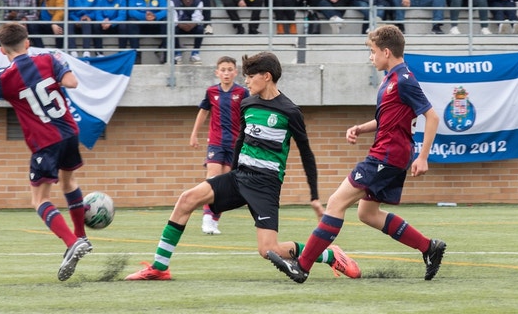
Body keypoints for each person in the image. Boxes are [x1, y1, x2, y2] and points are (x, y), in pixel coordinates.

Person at [127, 51, 359, 281]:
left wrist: (314, 197)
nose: (245, 81)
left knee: (268, 250)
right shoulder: (247, 103)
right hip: (239, 177)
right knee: (187, 199)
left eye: (250, 76)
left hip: (265, 186)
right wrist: (233, 172)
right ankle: (159, 267)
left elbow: (306, 154)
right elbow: (241, 139)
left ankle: (330, 254)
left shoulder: (290, 111)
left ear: (266, 76)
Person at [267, 24, 444, 284]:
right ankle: (429, 247)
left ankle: (302, 266)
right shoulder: (390, 80)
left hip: (387, 155)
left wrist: (423, 156)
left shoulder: (404, 80)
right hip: (388, 154)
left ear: (386, 51)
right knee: (367, 213)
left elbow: (432, 116)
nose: (370, 57)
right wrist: (361, 128)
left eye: (372, 52)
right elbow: (387, 120)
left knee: (337, 202)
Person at [0, 22, 93, 279]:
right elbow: (72, 82)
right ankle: (81, 236)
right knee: (69, 182)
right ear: (28, 42)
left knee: (39, 200)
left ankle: (72, 242)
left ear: (1, 49)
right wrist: (60, 66)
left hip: (44, 142)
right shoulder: (47, 59)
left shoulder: (3, 78)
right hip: (69, 131)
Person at [188, 56, 249, 234]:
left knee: (225, 185)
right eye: (223, 69)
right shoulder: (211, 92)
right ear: (217, 72)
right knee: (213, 178)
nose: (226, 73)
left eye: (230, 69)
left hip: (235, 144)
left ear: (236, 72)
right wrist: (194, 134)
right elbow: (203, 113)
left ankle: (214, 220)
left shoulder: (242, 93)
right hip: (216, 142)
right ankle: (207, 218)